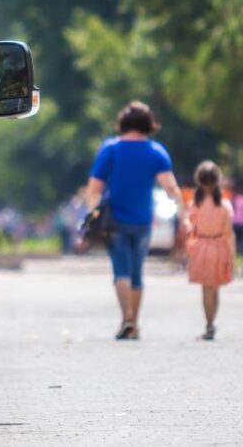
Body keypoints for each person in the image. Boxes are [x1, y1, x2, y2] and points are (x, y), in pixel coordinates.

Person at [86, 101, 188, 340]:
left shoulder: (110, 149)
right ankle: (134, 322)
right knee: (136, 272)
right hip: (143, 221)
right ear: (148, 124)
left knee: (120, 270)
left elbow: (94, 189)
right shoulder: (156, 152)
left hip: (115, 221)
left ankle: (127, 319)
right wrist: (183, 215)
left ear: (123, 122)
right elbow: (171, 188)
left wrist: (94, 212)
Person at [186, 161, 236, 341]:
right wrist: (233, 255)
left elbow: (188, 228)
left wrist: (188, 249)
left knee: (206, 289)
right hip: (220, 246)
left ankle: (209, 324)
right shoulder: (224, 206)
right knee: (215, 288)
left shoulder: (195, 205)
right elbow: (229, 233)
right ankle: (211, 322)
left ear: (198, 181)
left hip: (201, 247)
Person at [230, 181, 243, 258]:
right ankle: (242, 256)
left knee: (234, 241)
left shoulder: (233, 198)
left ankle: (234, 256)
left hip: (234, 223)